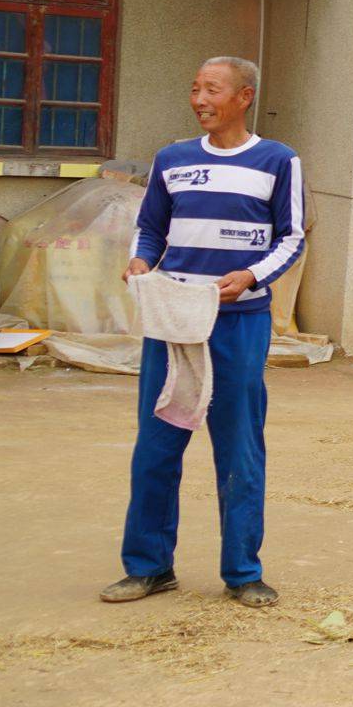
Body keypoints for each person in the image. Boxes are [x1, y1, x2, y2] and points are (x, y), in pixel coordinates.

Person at [101, 57, 304, 606]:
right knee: (157, 446)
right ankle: (148, 567)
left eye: (212, 89)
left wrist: (252, 275)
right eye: (194, 88)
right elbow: (149, 229)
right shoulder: (172, 159)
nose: (199, 98)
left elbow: (291, 238)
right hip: (173, 320)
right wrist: (142, 261)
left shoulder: (278, 160)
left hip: (237, 323)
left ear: (244, 96)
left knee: (238, 449)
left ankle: (242, 572)